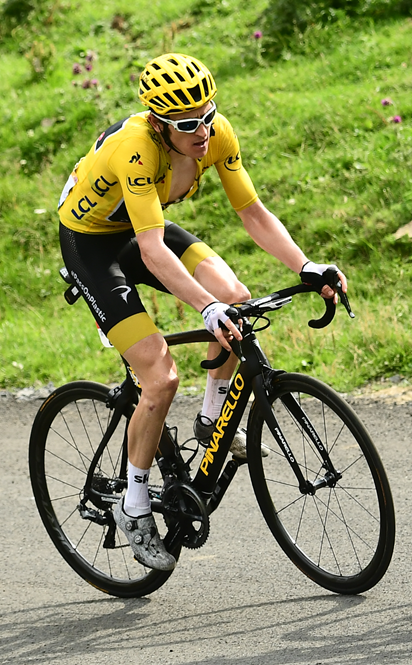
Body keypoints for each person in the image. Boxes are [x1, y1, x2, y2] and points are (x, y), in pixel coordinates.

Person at [57, 53, 346, 570]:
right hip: (93, 247)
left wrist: (306, 266)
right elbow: (151, 251)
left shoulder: (215, 135)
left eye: (208, 116)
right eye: (188, 125)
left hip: (141, 229)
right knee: (160, 378)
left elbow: (253, 212)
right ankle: (134, 503)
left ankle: (211, 420)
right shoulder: (137, 151)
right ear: (158, 124)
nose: (203, 132)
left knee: (237, 300)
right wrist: (203, 306)